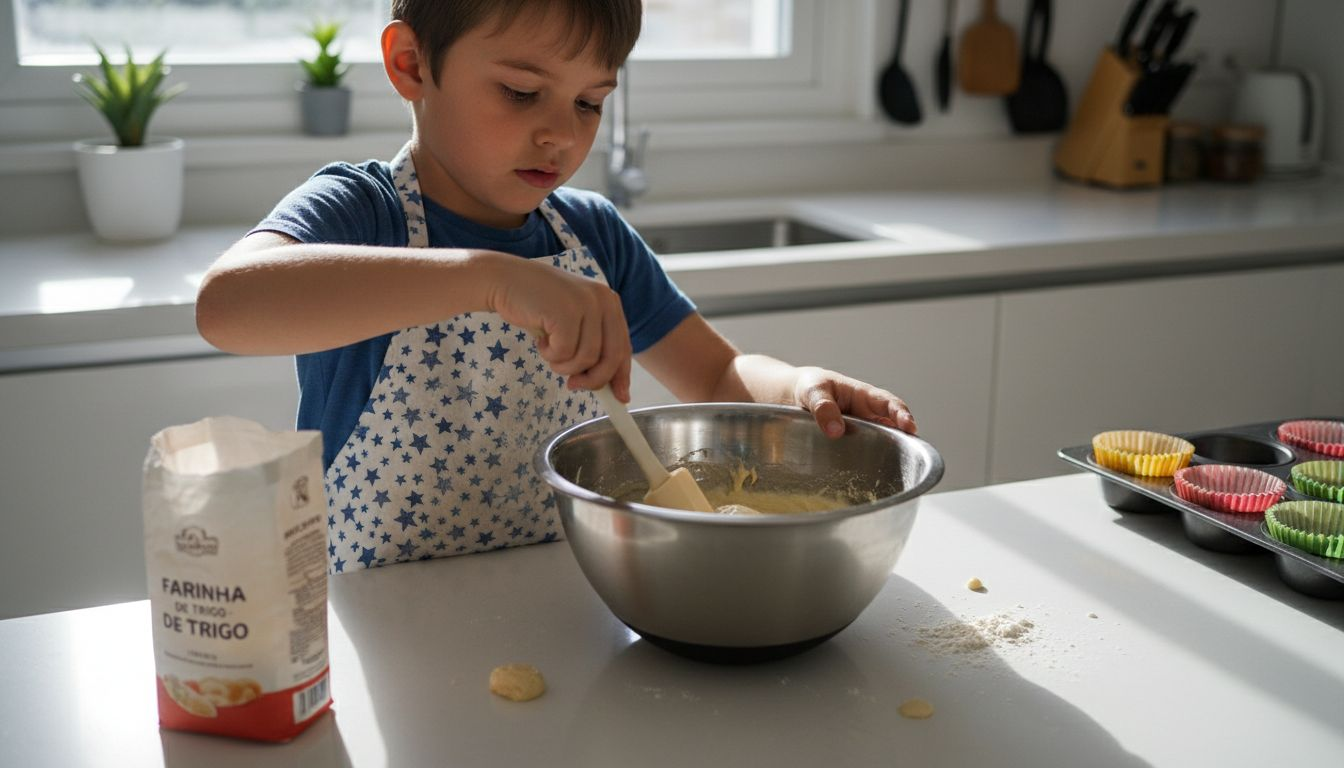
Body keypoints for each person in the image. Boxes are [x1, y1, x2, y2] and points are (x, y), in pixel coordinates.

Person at [195, 0, 917, 574]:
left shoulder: (591, 236)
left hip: (556, 601)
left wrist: (795, 387)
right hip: (383, 621)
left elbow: (718, 372)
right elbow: (227, 306)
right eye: (521, 92)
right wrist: (489, 278)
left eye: (589, 102)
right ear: (411, 64)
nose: (561, 136)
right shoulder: (363, 214)